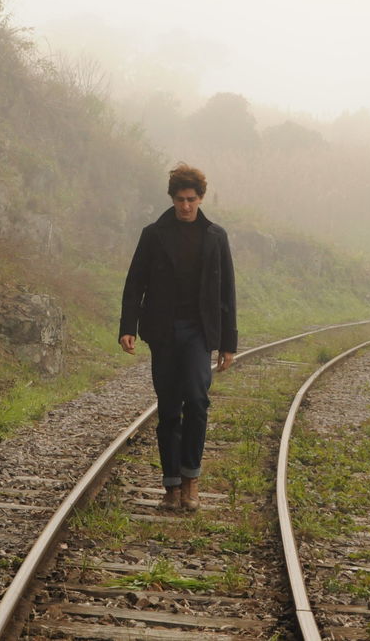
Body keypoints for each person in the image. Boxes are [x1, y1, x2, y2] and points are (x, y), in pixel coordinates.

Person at [119, 163, 237, 511]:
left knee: (198, 402)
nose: (185, 206)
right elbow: (134, 284)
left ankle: (192, 482)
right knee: (169, 408)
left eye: (191, 200)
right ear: (171, 198)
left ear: (200, 199)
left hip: (199, 332)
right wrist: (128, 327)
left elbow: (226, 292)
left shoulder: (216, 236)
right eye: (179, 200)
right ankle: (171, 487)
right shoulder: (153, 235)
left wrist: (228, 343)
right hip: (164, 332)